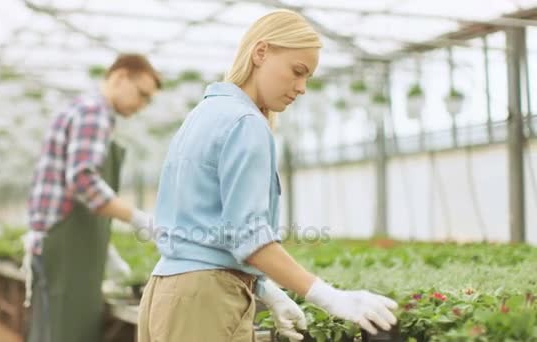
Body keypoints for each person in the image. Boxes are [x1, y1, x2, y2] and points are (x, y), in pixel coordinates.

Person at [138, 9, 398, 342]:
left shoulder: (204, 113)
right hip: (207, 299)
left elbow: (206, 225)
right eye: (297, 71)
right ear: (261, 53)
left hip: (167, 292)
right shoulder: (246, 123)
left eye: (308, 78)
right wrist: (329, 296)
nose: (301, 88)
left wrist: (265, 288)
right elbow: (247, 235)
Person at [26, 54, 160, 342]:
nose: (143, 105)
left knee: (53, 330)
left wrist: (106, 248)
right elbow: (82, 180)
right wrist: (137, 218)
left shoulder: (81, 109)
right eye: (142, 94)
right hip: (64, 245)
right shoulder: (94, 112)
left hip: (61, 241)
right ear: (120, 77)